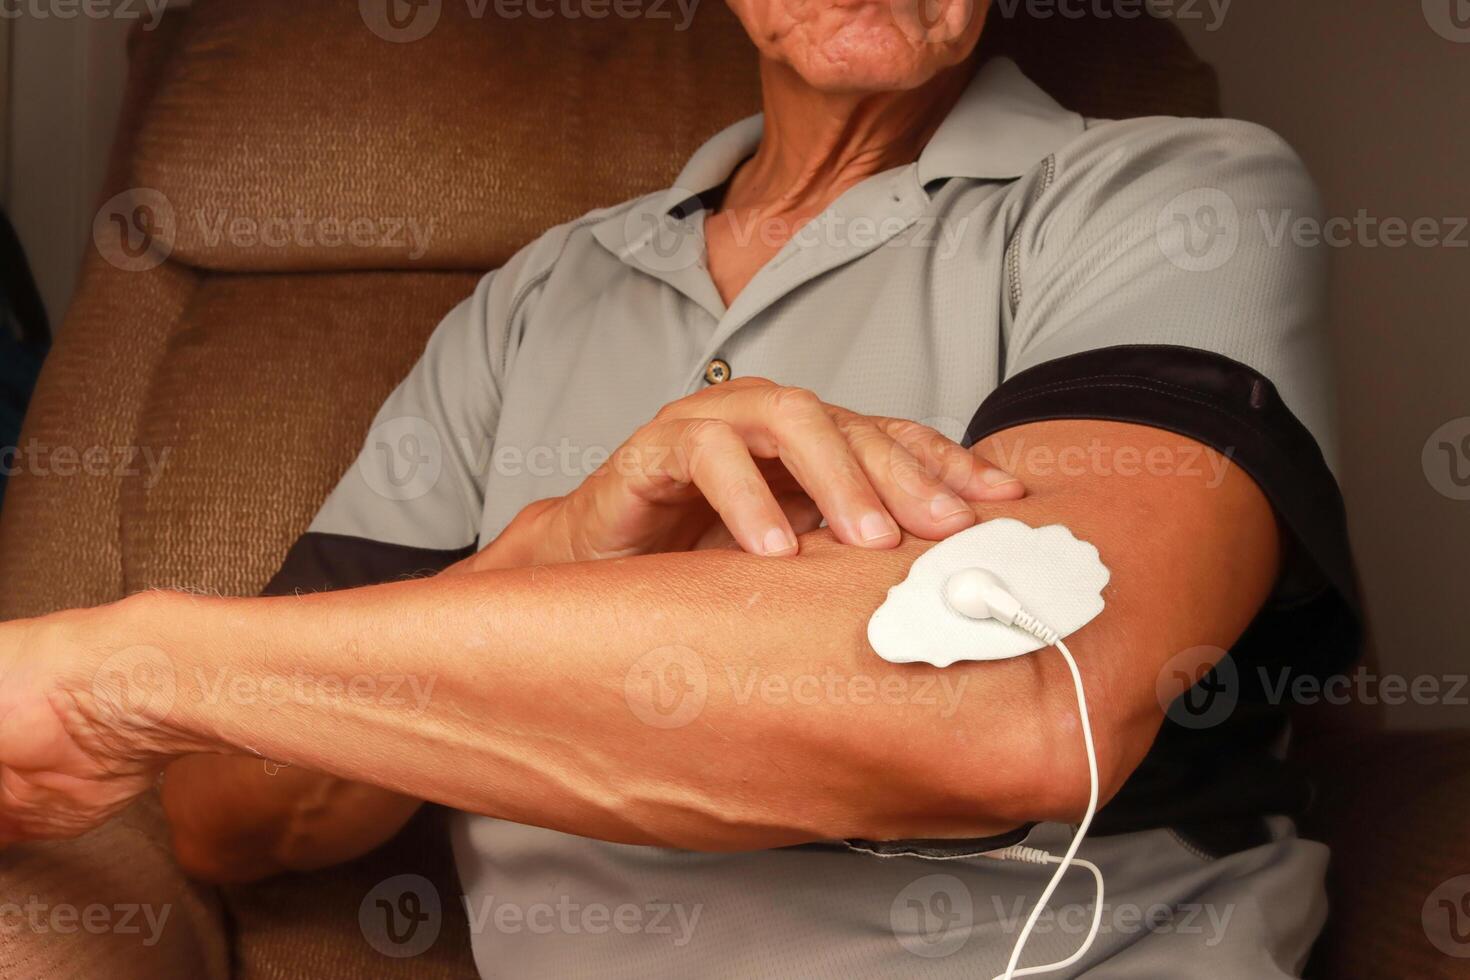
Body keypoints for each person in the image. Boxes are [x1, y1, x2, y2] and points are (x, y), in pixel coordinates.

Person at [0, 0, 1359, 975]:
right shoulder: (532, 296)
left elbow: (1023, 708)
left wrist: (139, 662)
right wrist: (546, 557)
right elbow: (238, 819)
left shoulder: (1166, 192)